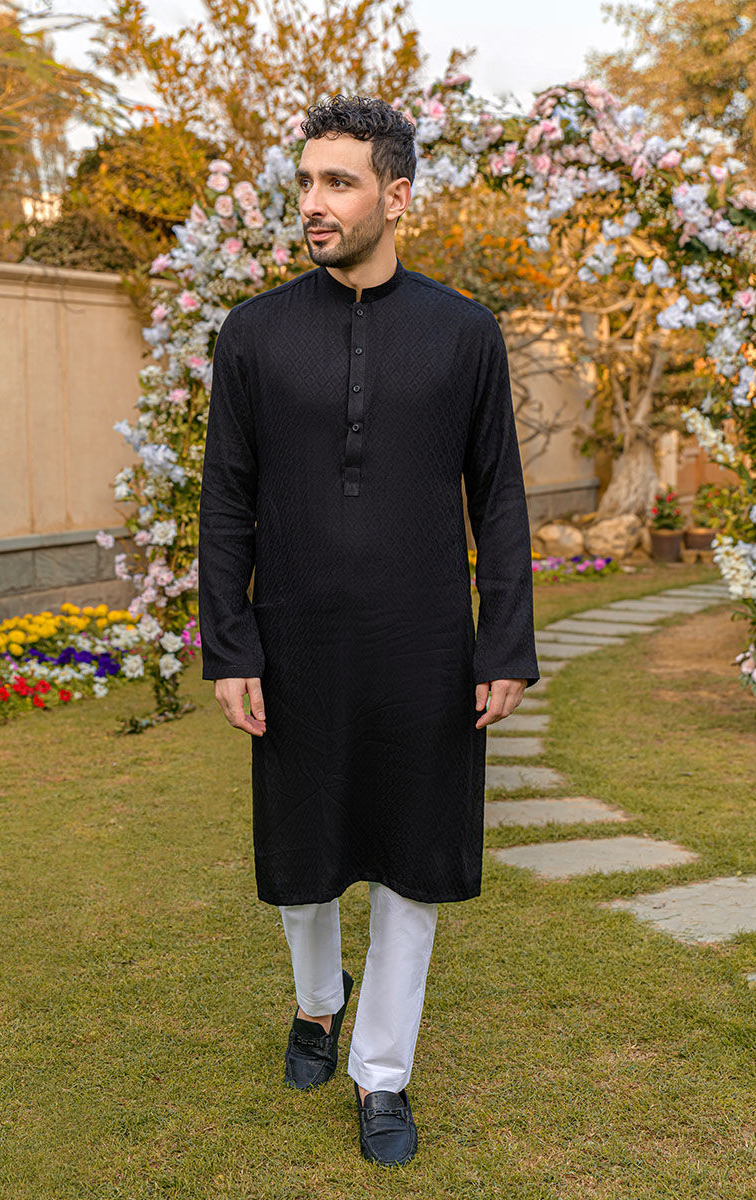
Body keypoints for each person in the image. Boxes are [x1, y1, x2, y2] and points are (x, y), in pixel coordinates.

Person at [197, 93, 539, 1167]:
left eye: (337, 182)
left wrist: (504, 643)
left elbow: (498, 499)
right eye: (305, 180)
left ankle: (381, 1074)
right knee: (302, 862)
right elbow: (225, 500)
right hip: (293, 641)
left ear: (396, 196)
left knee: (409, 864)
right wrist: (230, 645)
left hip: (424, 644)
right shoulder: (252, 335)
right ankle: (316, 1000)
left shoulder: (464, 333)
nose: (313, 201)